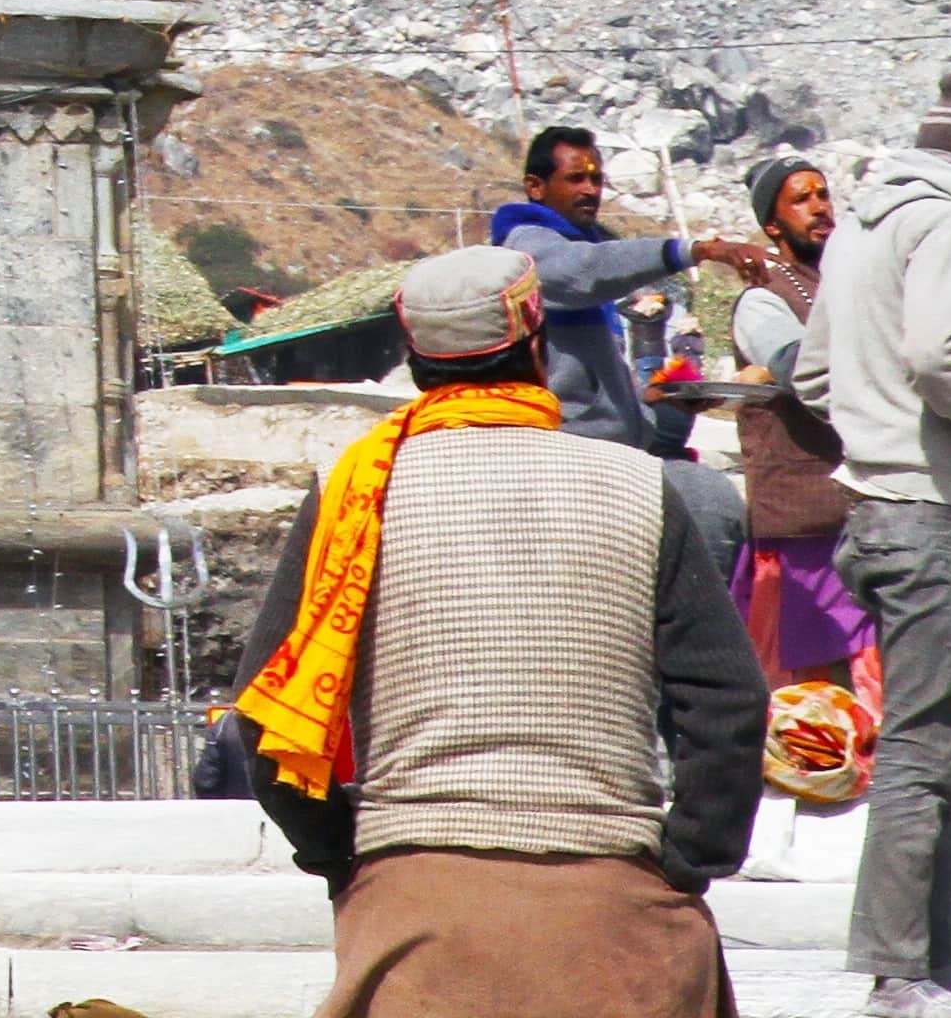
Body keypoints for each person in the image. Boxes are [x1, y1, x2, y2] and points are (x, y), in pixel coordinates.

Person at [227, 243, 760, 1018]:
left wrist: (340, 856)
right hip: (617, 909)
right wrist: (690, 862)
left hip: (413, 915)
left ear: (415, 362)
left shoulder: (354, 495)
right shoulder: (641, 487)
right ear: (536, 347)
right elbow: (728, 702)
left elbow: (264, 711)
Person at [797, 65, 951, 1011]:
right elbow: (938, 353)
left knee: (936, 742)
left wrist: (870, 426)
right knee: (924, 754)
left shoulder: (861, 226)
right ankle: (892, 970)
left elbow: (812, 377)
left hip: (870, 516)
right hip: (928, 518)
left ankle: (941, 955)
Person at [723, 150, 866, 690]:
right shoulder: (762, 301)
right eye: (801, 200)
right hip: (801, 526)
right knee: (816, 699)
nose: (819, 208)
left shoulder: (841, 286)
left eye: (823, 194)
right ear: (773, 224)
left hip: (853, 517)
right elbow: (807, 374)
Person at [491, 126, 697, 454]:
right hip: (566, 447)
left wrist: (644, 399)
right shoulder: (526, 246)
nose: (590, 190)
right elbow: (584, 270)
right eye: (575, 179)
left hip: (605, 447)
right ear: (535, 187)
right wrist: (690, 251)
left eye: (597, 180)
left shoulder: (582, 244)